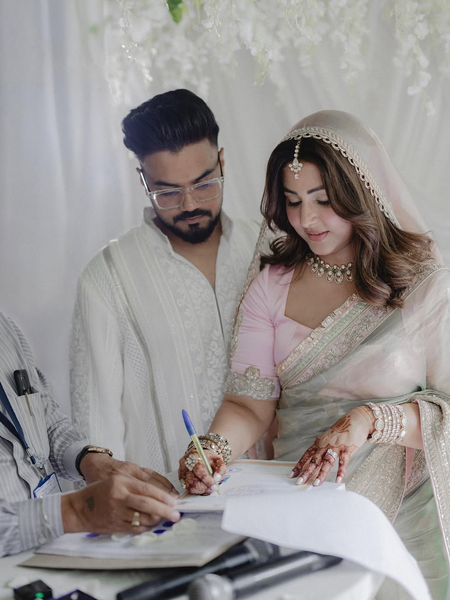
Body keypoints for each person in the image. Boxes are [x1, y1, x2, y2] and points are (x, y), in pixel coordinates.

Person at [178, 110, 450, 597]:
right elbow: (248, 405)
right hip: (299, 512)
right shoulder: (271, 287)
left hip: (401, 526)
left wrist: (369, 420)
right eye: (293, 201)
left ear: (360, 193)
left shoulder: (424, 286)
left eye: (324, 200)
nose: (307, 219)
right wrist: (214, 449)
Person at [70, 89, 259, 474]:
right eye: (168, 192)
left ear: (222, 162)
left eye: (204, 184)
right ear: (143, 180)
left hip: (279, 492)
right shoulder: (107, 277)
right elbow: (96, 428)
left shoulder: (267, 249)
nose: (189, 204)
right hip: (169, 502)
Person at [0, 311, 180, 558]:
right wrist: (77, 511)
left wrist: (91, 461)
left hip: (60, 548)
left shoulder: (6, 327)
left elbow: (44, 420)